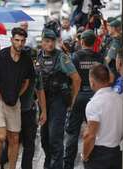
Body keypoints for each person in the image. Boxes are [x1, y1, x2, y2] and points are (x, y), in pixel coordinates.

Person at [0, 27, 34, 169]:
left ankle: (11, 167)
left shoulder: (26, 59)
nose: (20, 43)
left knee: (14, 138)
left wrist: (17, 94)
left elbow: (27, 80)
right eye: (17, 40)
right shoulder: (0, 56)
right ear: (11, 40)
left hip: (14, 101)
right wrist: (1, 95)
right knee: (1, 137)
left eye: (22, 41)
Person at [35, 28, 81, 169]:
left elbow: (76, 79)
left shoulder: (62, 57)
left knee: (55, 137)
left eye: (52, 41)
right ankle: (48, 164)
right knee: (44, 138)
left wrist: (72, 101)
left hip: (58, 100)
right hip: (43, 100)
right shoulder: (39, 56)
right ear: (42, 42)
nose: (49, 44)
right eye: (47, 41)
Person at [64, 30, 104, 169]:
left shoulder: (75, 57)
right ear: (94, 43)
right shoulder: (99, 57)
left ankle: (68, 164)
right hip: (95, 97)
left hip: (78, 96)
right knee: (96, 132)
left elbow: (70, 77)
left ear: (81, 42)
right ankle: (91, 161)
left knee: (72, 132)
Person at [82, 64, 123, 169]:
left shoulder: (94, 104)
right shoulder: (119, 99)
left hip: (99, 156)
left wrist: (85, 156)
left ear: (92, 82)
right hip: (117, 153)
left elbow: (90, 136)